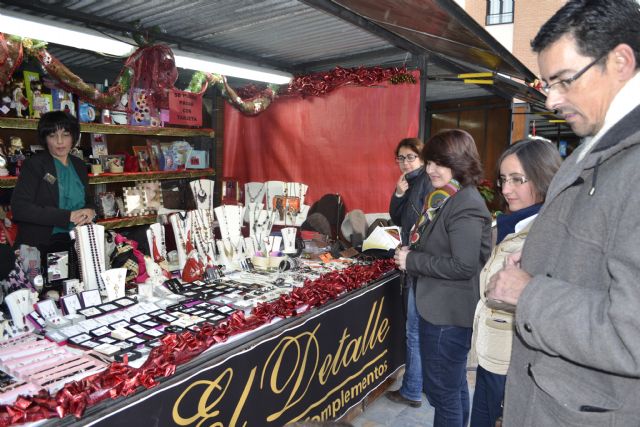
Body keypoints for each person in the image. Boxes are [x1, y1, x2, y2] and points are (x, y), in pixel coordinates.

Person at [486, 1, 640, 425]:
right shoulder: (595, 144)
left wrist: (528, 292)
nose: (552, 99)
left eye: (564, 81)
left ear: (621, 62)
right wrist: (540, 259)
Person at [394, 129, 492, 426]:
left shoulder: (466, 203)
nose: (430, 169)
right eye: (429, 162)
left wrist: (413, 260)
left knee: (443, 394)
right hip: (441, 307)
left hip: (445, 315)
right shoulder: (451, 198)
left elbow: (463, 265)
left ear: (459, 162)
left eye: (438, 163)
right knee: (453, 386)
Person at [470, 138, 561, 427]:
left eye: (517, 180)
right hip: (491, 353)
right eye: (503, 180)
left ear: (543, 178)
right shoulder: (510, 225)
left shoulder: (547, 234)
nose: (506, 190)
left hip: (515, 363)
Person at [386, 137, 433, 408]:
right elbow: (397, 217)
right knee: (417, 328)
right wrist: (399, 193)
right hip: (414, 260)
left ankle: (412, 389)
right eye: (401, 158)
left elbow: (416, 225)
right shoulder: (411, 182)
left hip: (418, 262)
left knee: (414, 330)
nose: (405, 163)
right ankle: (420, 383)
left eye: (410, 157)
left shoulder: (426, 182)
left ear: (422, 158)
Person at [11, 110, 95, 253]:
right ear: (45, 138)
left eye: (65, 135)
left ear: (74, 137)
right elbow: (20, 208)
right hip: (41, 244)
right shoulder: (34, 165)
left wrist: (91, 210)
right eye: (52, 135)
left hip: (78, 242)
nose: (60, 141)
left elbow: (88, 200)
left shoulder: (79, 165)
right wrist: (67, 216)